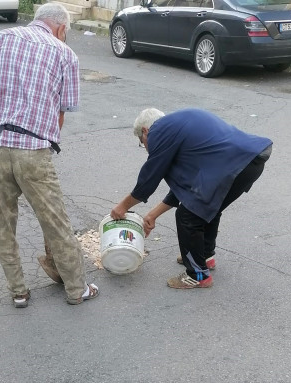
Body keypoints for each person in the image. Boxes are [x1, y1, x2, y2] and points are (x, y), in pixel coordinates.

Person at [0, 2, 98, 307]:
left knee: (3, 222)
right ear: (60, 27)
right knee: (56, 222)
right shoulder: (64, 53)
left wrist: (10, 107)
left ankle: (18, 292)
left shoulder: (0, 38)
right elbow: (60, 116)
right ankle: (76, 289)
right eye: (66, 32)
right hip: (34, 152)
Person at [111, 108, 272, 289]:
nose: (146, 147)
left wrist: (122, 206)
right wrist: (152, 215)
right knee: (207, 206)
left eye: (142, 142)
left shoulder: (158, 132)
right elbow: (189, 191)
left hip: (236, 163)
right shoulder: (177, 127)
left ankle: (197, 275)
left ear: (145, 131)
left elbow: (148, 180)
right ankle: (204, 256)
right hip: (251, 159)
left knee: (188, 216)